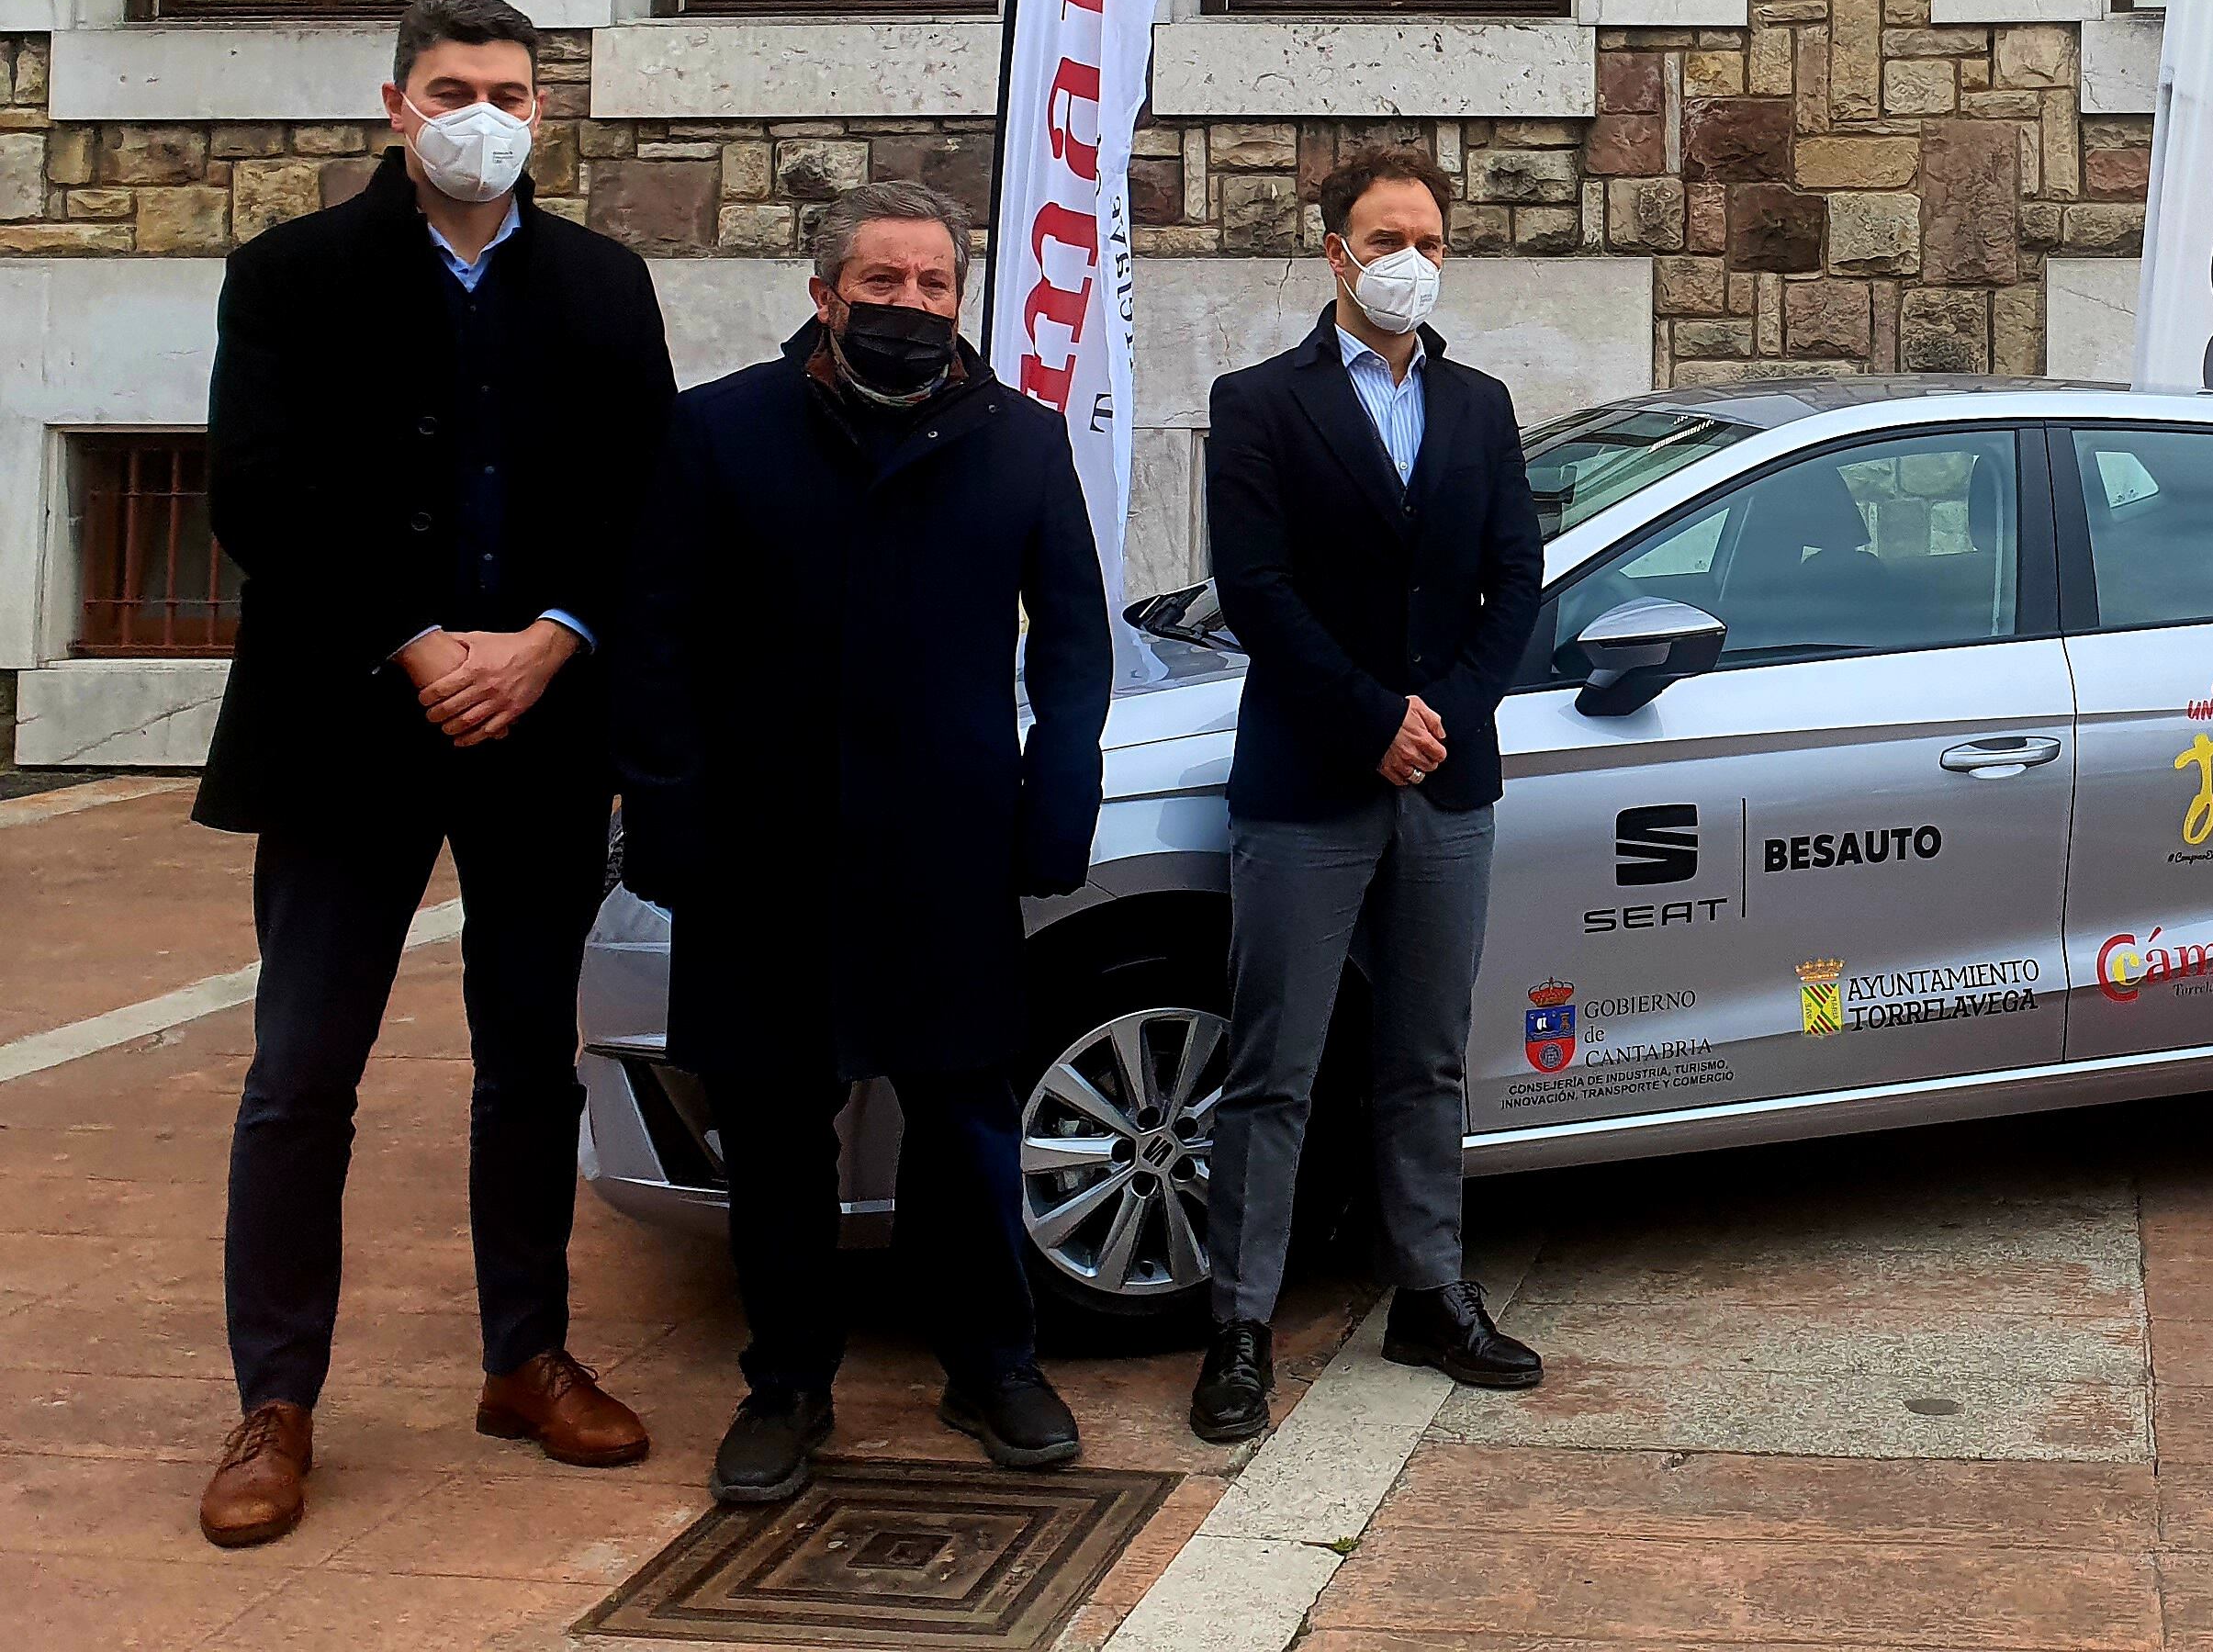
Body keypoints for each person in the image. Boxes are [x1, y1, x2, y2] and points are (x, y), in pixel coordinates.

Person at [195, 0, 676, 1549]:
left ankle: (525, 1355)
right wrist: (416, 638)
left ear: (547, 112)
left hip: (538, 725)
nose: (487, 111)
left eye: (515, 89)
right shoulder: (290, 275)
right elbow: (262, 494)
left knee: (529, 1056)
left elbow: (642, 492)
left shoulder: (604, 283)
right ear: (396, 103)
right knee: (300, 1071)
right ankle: (276, 1396)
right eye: (456, 85)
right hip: (348, 725)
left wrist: (548, 637)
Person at [615, 182, 1108, 1504]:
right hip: (760, 853)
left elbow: (1072, 643)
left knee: (964, 1124)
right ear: (824, 294)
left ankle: (994, 1364)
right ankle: (786, 1385)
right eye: (881, 284)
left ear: (962, 300)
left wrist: (1058, 804)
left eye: (933, 286)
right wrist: (665, 814)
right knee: (775, 1137)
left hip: (945, 846)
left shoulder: (1022, 440)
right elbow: (655, 641)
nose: (909, 308)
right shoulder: (717, 432)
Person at [1188, 144, 1546, 1444]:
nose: (1414, 264)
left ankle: (1429, 1294)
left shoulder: (1481, 404)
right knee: (1275, 1066)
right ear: (1335, 250)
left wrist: (1445, 711)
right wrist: (1369, 717)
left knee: (1425, 1061)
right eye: (1390, 239)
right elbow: (1258, 587)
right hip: (1311, 778)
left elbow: (1519, 581)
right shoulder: (1258, 403)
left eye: (1435, 243)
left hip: (1447, 780)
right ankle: (1237, 1325)